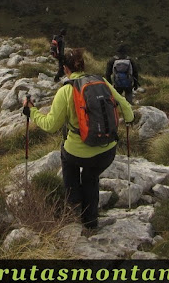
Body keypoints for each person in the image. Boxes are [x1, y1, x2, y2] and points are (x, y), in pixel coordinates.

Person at [23, 48, 134, 230]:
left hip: (78, 153)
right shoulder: (102, 81)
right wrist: (130, 121)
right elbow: (126, 107)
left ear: (65, 69)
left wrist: (32, 111)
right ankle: (91, 222)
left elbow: (50, 125)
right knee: (90, 177)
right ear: (83, 65)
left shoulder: (66, 90)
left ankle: (73, 205)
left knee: (67, 157)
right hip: (107, 151)